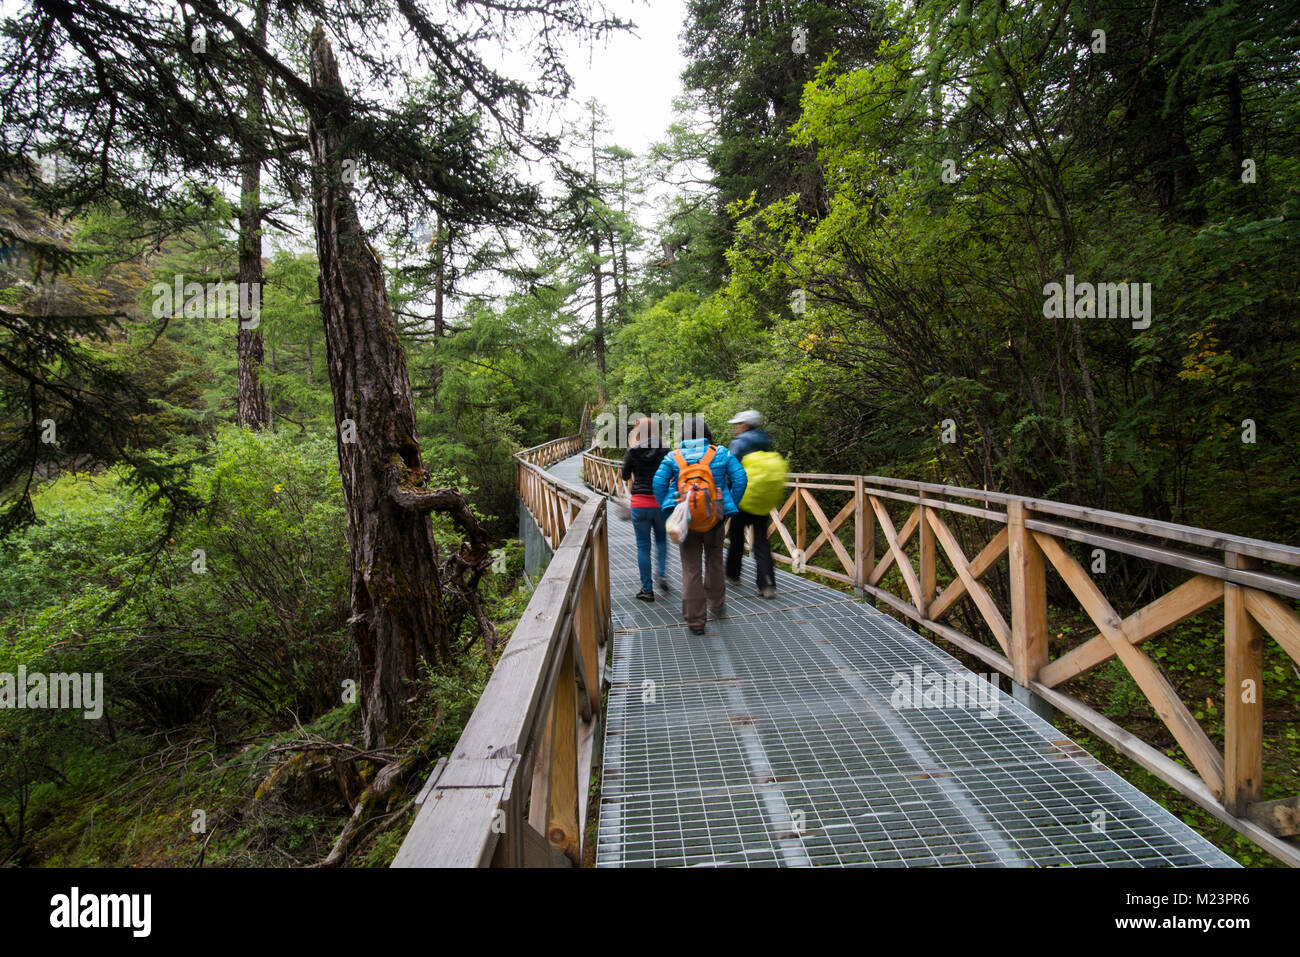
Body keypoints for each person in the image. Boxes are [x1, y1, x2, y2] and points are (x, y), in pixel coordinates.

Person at [653, 415, 747, 635]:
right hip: (715, 518)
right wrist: (727, 505)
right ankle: (717, 606)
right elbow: (741, 479)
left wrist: (670, 508)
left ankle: (696, 621)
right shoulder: (721, 453)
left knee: (691, 568)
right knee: (714, 562)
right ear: (707, 433)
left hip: (686, 521)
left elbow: (657, 483)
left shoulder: (673, 457)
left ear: (683, 435)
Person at [725, 409, 777, 599]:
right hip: (762, 498)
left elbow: (729, 469)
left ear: (745, 425)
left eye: (738, 424)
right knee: (762, 541)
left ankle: (732, 574)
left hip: (742, 498)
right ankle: (767, 584)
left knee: (736, 537)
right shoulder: (766, 442)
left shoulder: (739, 443)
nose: (736, 427)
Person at [621, 417, 670, 602]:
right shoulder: (666, 450)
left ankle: (647, 589)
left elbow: (625, 476)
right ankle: (662, 574)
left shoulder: (632, 451)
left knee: (643, 546)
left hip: (640, 503)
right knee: (661, 541)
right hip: (660, 503)